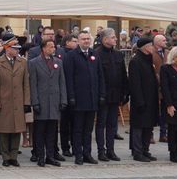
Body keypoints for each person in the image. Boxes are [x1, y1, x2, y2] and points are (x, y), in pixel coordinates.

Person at [63, 31, 105, 165]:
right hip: (78, 99)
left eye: (88, 39)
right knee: (77, 129)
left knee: (88, 129)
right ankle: (78, 154)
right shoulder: (71, 56)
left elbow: (100, 76)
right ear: (78, 41)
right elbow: (68, 78)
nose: (86, 41)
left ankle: (87, 153)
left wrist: (101, 94)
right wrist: (71, 97)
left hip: (92, 99)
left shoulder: (94, 54)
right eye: (83, 39)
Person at [0, 35, 30, 167]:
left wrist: (26, 102)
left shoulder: (22, 62)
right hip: (4, 102)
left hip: (18, 102)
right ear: (7, 49)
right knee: (4, 131)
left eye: (18, 48)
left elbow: (26, 84)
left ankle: (14, 156)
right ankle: (5, 156)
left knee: (16, 129)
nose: (18, 50)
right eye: (15, 48)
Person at [29, 39, 66, 167]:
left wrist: (63, 100)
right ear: (43, 48)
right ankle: (40, 156)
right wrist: (35, 102)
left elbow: (62, 83)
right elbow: (33, 85)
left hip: (54, 102)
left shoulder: (58, 62)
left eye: (54, 46)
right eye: (50, 47)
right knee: (40, 131)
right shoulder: (34, 63)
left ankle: (50, 156)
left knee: (52, 131)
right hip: (42, 101)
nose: (53, 49)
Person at [96, 28, 128, 161]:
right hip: (103, 95)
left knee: (112, 125)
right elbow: (97, 76)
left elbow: (122, 75)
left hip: (115, 95)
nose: (116, 39)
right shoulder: (96, 54)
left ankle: (111, 150)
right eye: (113, 37)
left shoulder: (118, 54)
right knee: (101, 124)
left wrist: (125, 93)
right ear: (105, 39)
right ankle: (101, 151)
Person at [128, 37, 158, 162]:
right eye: (151, 45)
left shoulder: (148, 59)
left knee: (148, 126)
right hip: (140, 100)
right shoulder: (136, 61)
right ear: (145, 47)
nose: (153, 48)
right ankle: (137, 151)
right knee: (139, 126)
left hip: (151, 99)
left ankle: (145, 149)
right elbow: (135, 83)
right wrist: (139, 101)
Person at [151, 35, 169, 143]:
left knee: (164, 111)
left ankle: (163, 134)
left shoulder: (166, 52)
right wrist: (158, 78)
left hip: (165, 86)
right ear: (157, 42)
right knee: (153, 111)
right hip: (155, 86)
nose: (165, 41)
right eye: (163, 40)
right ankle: (150, 134)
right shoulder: (151, 52)